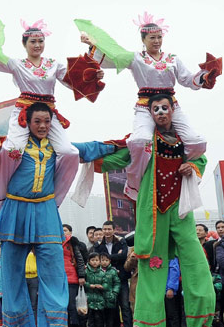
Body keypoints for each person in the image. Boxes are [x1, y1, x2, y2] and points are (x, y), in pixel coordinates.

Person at [93, 92, 216, 327]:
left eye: (165, 108)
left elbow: (201, 160)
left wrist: (191, 167)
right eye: (156, 109)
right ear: (150, 114)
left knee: (198, 267)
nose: (161, 112)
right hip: (154, 213)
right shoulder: (144, 143)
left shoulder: (186, 141)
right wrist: (89, 158)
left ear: (173, 110)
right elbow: (121, 156)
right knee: (151, 273)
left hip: (180, 211)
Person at [0, 102, 114, 327]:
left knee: (55, 282)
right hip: (15, 213)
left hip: (45, 213)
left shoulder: (58, 149)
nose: (43, 126)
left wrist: (119, 146)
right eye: (37, 121)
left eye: (47, 121)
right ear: (27, 122)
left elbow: (88, 149)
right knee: (12, 283)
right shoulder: (13, 148)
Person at [0, 20, 98, 217]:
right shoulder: (17, 64)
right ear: (24, 44)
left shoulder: (53, 65)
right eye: (33, 41)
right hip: (24, 113)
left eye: (40, 41)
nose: (37, 45)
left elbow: (75, 78)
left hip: (47, 114)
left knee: (70, 153)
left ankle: (54, 201)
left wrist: (93, 72)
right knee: (11, 150)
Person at [83, 14, 216, 202]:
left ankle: (182, 168)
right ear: (143, 40)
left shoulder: (172, 59)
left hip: (170, 105)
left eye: (159, 37)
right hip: (145, 106)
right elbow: (112, 58)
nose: (156, 41)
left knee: (197, 142)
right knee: (139, 141)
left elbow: (188, 80)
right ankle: (134, 184)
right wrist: (92, 45)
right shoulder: (136, 58)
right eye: (152, 37)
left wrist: (205, 76)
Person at [92, 221, 132, 327]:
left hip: (121, 278)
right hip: (106, 280)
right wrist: (115, 257)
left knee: (125, 305)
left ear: (114, 230)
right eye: (105, 229)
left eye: (109, 229)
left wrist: (107, 258)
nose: (107, 231)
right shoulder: (98, 244)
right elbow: (98, 259)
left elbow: (123, 256)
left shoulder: (121, 241)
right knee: (111, 307)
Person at [62, 229, 86, 327]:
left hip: (72, 278)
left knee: (71, 306)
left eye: (65, 230)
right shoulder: (53, 241)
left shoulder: (72, 242)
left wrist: (81, 275)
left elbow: (80, 259)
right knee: (62, 306)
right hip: (58, 279)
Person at [165, 257, 186, 327]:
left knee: (172, 312)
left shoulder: (171, 256)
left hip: (169, 288)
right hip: (158, 289)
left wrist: (171, 288)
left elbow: (174, 271)